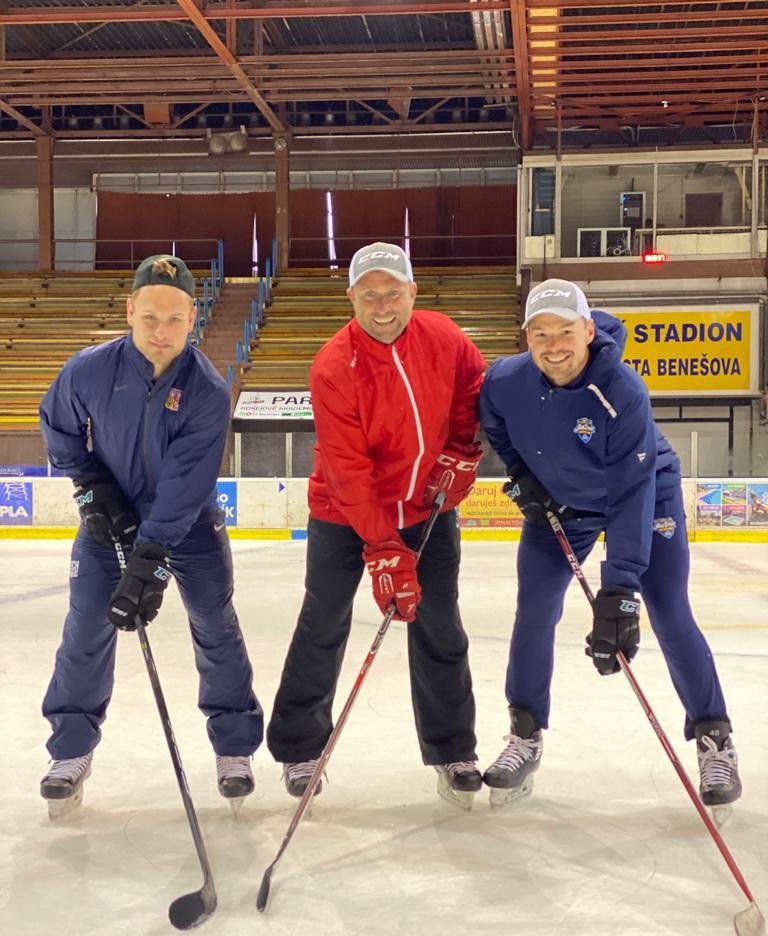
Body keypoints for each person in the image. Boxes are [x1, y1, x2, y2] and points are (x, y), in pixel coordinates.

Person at [478, 277, 742, 812]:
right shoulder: (504, 380)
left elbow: (630, 490)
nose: (554, 346)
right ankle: (525, 731)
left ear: (588, 330)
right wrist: (521, 474)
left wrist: (620, 587)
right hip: (561, 506)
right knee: (534, 611)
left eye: (566, 332)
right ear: (526, 336)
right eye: (540, 334)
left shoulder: (620, 389)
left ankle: (714, 735)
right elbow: (496, 426)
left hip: (645, 494)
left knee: (668, 610)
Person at [38, 254, 263, 815]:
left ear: (193, 315)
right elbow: (59, 427)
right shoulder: (88, 370)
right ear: (131, 309)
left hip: (184, 527)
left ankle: (234, 746)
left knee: (215, 622)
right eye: (150, 318)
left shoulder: (207, 391)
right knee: (87, 623)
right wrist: (93, 489)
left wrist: (149, 560)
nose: (161, 332)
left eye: (175, 319)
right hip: (107, 521)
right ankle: (70, 748)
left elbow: (186, 485)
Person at [266, 242, 486, 807]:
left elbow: (470, 392)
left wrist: (461, 451)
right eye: (369, 296)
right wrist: (383, 547)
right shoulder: (335, 365)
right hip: (345, 512)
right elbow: (349, 470)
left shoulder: (446, 338)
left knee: (439, 623)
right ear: (352, 300)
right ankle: (299, 746)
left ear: (413, 292)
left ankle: (453, 747)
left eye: (392, 293)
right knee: (324, 621)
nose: (382, 306)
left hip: (426, 509)